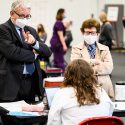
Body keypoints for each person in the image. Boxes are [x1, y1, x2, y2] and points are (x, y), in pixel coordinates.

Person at [0, 0, 51, 103]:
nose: (25, 19)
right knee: (10, 117)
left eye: (28, 16)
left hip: (31, 82)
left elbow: (47, 52)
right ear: (12, 13)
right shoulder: (3, 29)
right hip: (11, 83)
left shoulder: (31, 30)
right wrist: (34, 55)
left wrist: (34, 43)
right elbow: (13, 53)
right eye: (22, 16)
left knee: (29, 116)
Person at [47, 59, 114, 125]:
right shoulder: (101, 92)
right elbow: (109, 116)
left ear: (67, 75)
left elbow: (53, 121)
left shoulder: (62, 94)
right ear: (91, 74)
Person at [70, 18, 114, 98]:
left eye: (93, 33)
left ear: (97, 33)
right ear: (82, 32)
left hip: (103, 87)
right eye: (87, 32)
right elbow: (75, 67)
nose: (90, 35)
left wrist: (85, 67)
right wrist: (95, 62)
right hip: (83, 87)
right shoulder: (76, 48)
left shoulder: (105, 48)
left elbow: (109, 68)